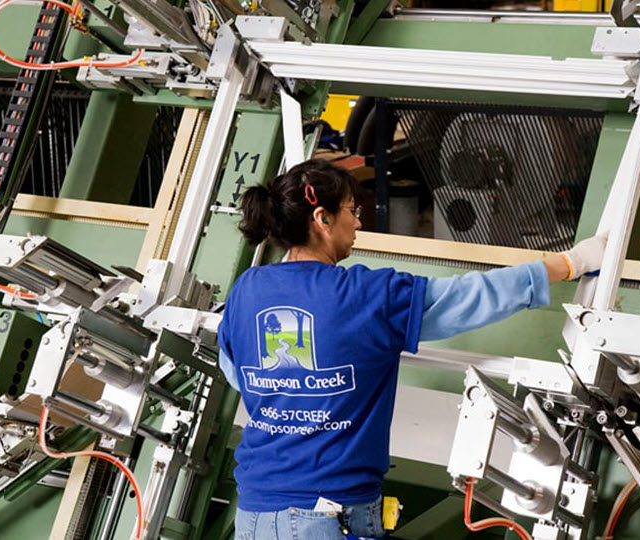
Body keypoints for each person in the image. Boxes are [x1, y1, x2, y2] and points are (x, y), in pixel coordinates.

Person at [217, 159, 607, 540]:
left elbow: (236, 371)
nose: (358, 222)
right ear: (323, 219)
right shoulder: (367, 297)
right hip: (327, 515)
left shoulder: (246, 290)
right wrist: (570, 263)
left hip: (254, 513)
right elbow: (472, 297)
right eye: (352, 211)